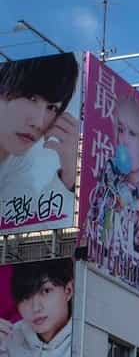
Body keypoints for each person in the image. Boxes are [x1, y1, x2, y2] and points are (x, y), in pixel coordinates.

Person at [83, 85, 139, 295]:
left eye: (132, 133)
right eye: (120, 129)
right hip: (91, 288)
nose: (124, 140)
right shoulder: (105, 187)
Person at [0, 53, 79, 233]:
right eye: (31, 98)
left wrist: (69, 176)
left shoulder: (17, 167)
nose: (38, 121)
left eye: (52, 107)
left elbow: (26, 238)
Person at [0, 260, 74, 357]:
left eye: (45, 291)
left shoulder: (85, 336)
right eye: (25, 297)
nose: (35, 308)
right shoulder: (7, 340)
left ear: (68, 290)